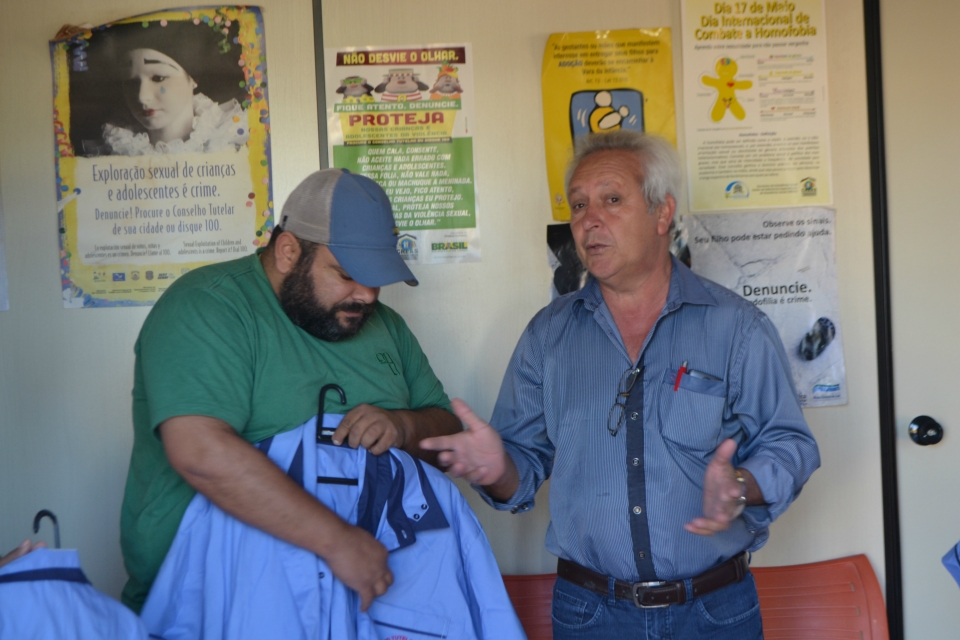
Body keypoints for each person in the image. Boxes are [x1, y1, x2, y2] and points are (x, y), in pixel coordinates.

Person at [422, 131, 820, 638]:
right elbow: (519, 471)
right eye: (579, 204)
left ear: (662, 214)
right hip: (591, 614)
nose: (590, 220)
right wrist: (498, 467)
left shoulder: (735, 326)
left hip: (714, 610)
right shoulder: (549, 335)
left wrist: (741, 485)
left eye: (612, 200)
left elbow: (790, 443)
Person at [120, 168, 461, 612]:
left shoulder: (386, 328)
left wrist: (403, 425)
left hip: (365, 598)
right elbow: (200, 452)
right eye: (346, 274)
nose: (368, 296)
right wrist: (337, 542)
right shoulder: (207, 305)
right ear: (287, 251)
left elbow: (451, 436)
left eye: (377, 278)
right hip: (209, 601)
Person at [72, 19, 249, 156]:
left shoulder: (231, 140)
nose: (142, 96)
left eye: (158, 78)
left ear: (193, 79)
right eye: (131, 82)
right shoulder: (113, 147)